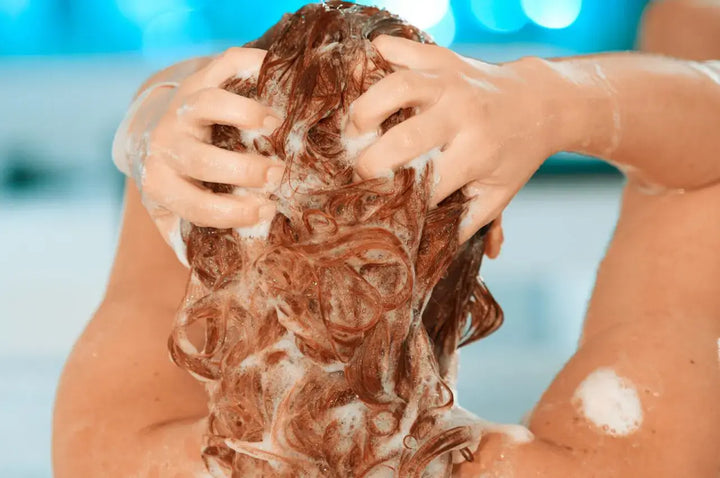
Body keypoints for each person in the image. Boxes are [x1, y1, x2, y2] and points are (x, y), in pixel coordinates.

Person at [53, 0, 720, 476]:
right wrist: (550, 98)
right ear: (488, 233)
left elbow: (172, 233)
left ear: (208, 241)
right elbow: (704, 154)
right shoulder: (626, 452)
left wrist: (150, 116)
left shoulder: (112, 450)